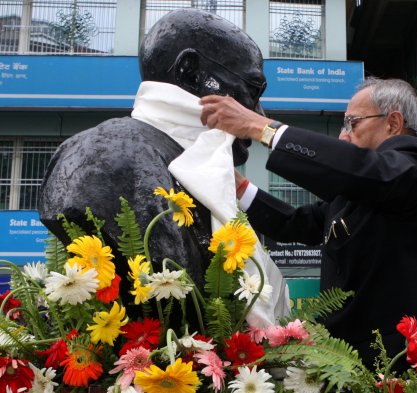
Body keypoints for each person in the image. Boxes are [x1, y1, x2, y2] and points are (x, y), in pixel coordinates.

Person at [199, 76, 417, 392]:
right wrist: (239, 187)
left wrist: (259, 127)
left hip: (414, 365)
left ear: (393, 123)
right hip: (359, 363)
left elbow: (363, 171)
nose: (343, 134)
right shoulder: (359, 192)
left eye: (353, 123)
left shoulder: (413, 164)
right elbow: (295, 222)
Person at [38, 8, 289, 328]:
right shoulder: (109, 155)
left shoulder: (192, 166)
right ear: (190, 73)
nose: (258, 112)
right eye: (252, 90)